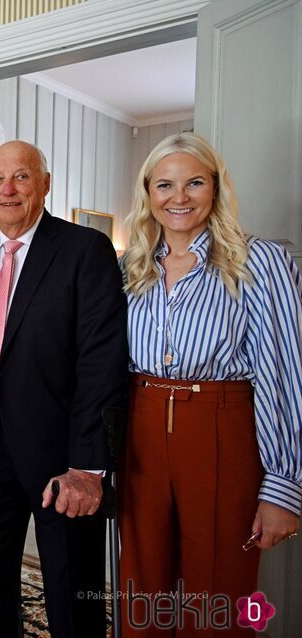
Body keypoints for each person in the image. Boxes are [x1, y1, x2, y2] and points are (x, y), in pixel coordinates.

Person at [0, 140, 128, 638]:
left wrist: (89, 465)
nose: (8, 189)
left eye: (21, 177)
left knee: (72, 592)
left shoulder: (84, 250)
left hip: (64, 457)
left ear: (45, 184)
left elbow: (101, 363)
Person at [117, 132, 301, 636]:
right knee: (140, 589)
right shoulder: (129, 268)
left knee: (221, 593)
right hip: (140, 432)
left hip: (223, 431)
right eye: (165, 185)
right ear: (147, 193)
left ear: (215, 188)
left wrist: (283, 486)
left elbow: (283, 373)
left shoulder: (259, 261)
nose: (179, 197)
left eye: (194, 182)